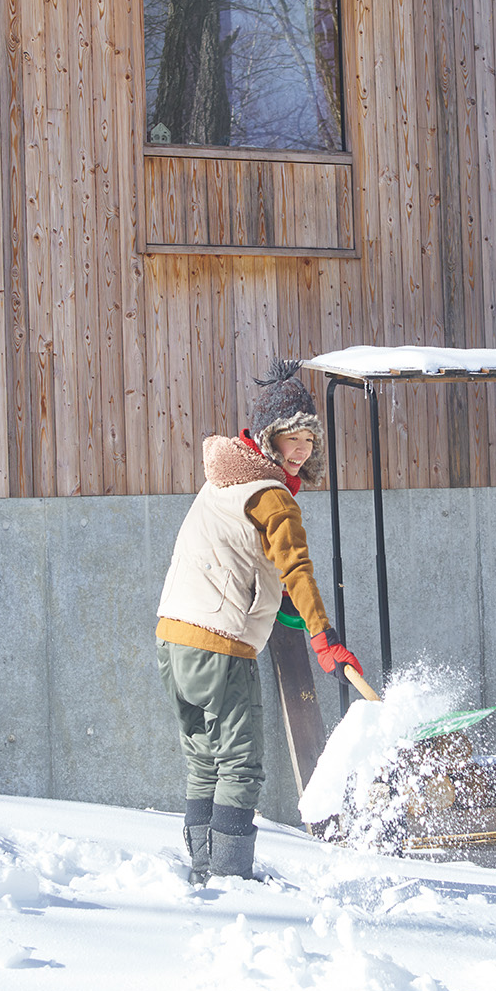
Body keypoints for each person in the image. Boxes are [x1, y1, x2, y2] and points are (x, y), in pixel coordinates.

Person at [156, 357, 362, 883]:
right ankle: (229, 879)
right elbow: (295, 567)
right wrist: (324, 638)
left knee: (205, 759)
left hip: (174, 639)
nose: (303, 451)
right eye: (293, 439)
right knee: (241, 766)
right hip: (220, 643)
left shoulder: (224, 483)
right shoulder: (271, 497)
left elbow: (246, 561)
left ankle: (203, 871)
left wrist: (289, 615)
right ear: (269, 440)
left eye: (311, 443)